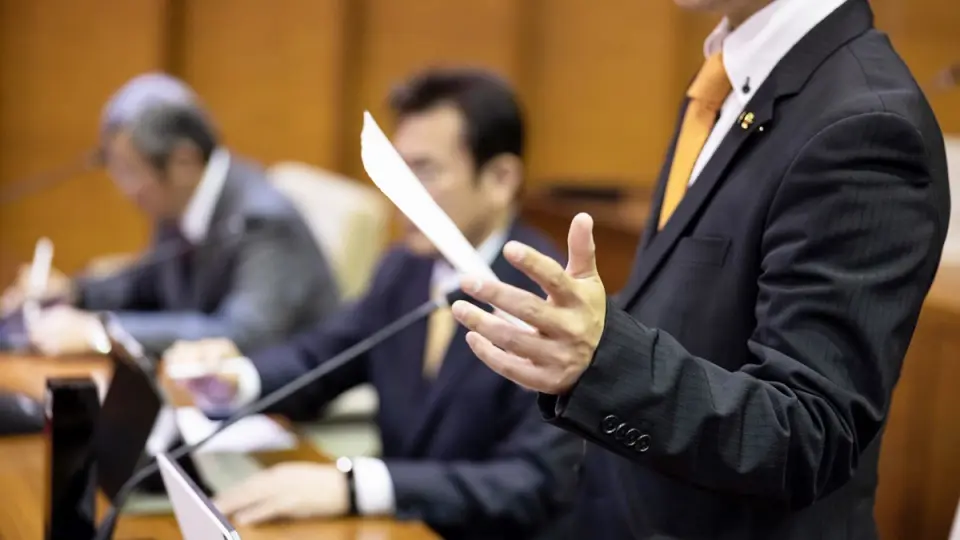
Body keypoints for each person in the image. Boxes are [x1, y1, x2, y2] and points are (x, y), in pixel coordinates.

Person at [451, 0, 950, 538]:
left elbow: (807, 432)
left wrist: (603, 359)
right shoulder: (734, 73)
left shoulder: (866, 124)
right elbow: (690, 307)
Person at [164, 68, 581, 540]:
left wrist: (358, 485)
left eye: (425, 171)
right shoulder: (403, 269)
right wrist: (235, 379)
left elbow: (531, 482)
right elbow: (323, 356)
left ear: (500, 178)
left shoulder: (548, 301)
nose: (400, 195)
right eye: (398, 173)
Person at [0, 74, 340, 356]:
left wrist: (100, 332)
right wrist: (75, 293)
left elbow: (241, 333)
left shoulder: (264, 220)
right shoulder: (180, 203)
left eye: (130, 171)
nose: (124, 190)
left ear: (183, 162)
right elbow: (150, 281)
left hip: (283, 404)